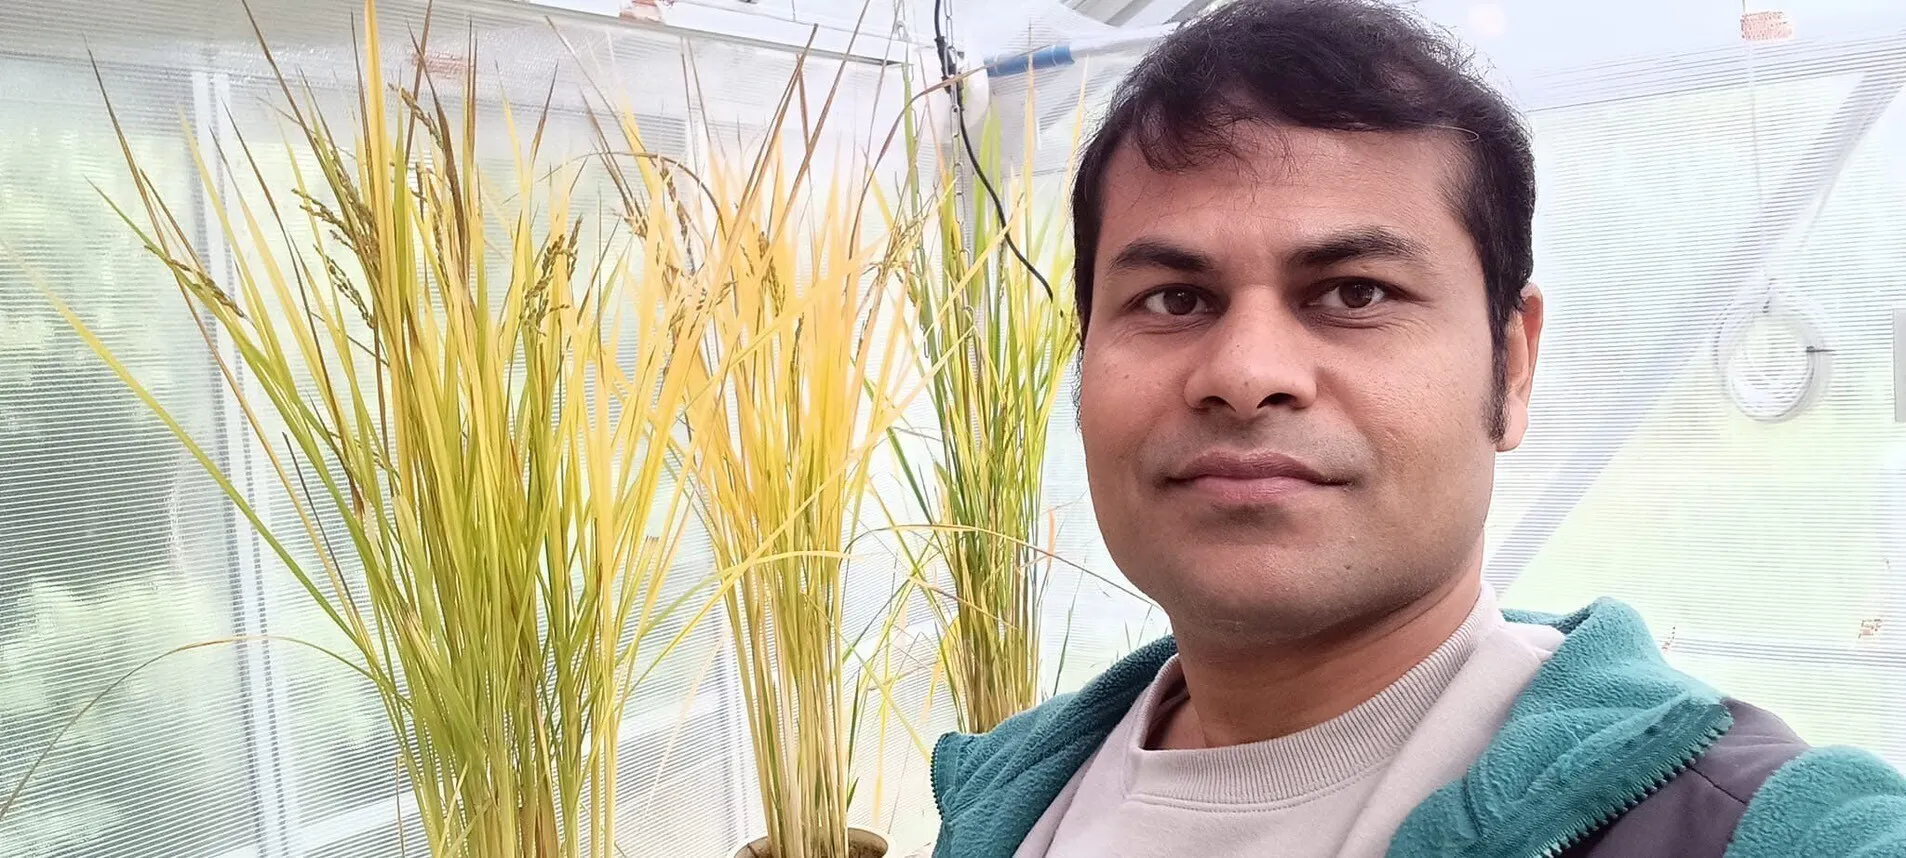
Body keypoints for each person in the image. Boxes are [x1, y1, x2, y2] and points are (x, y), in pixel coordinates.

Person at [927, 1, 1906, 856]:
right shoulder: (1012, 798)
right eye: (1173, 299)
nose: (1245, 374)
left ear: (1509, 366)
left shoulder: (1736, 823)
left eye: (1354, 292)